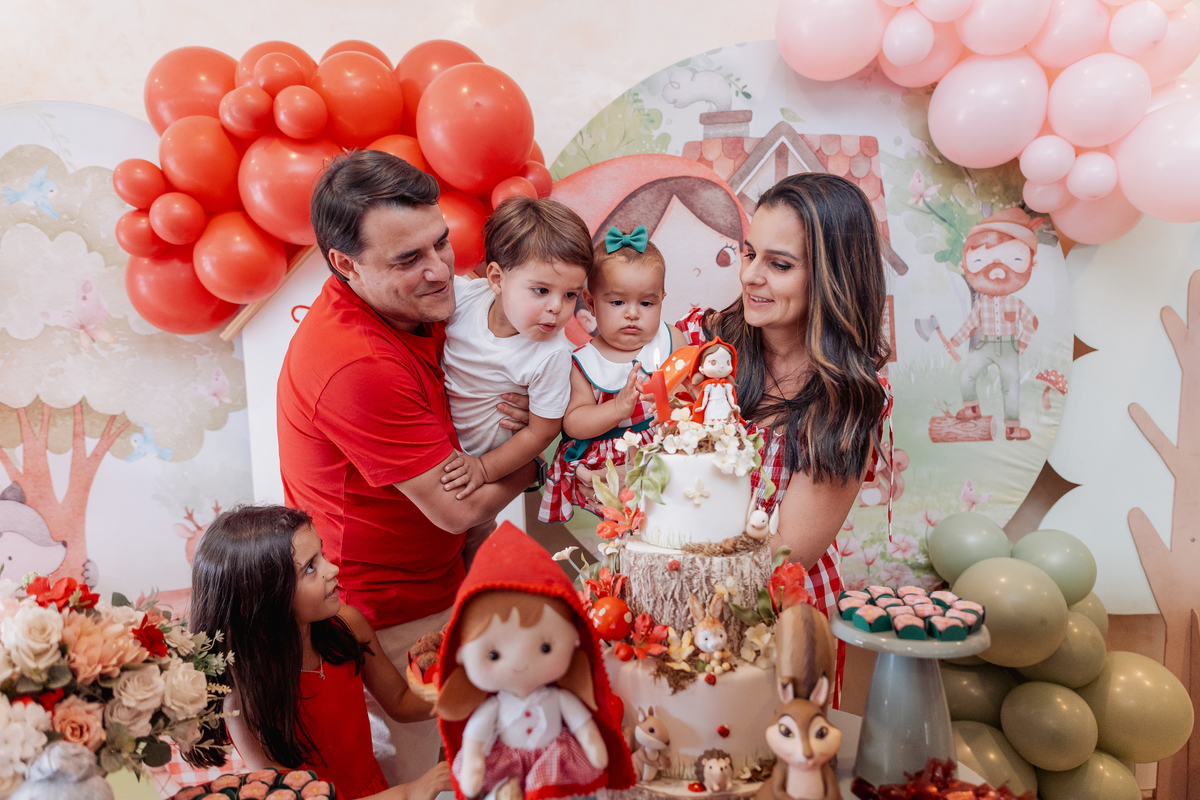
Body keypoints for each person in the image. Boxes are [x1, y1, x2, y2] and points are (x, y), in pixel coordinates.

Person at [277, 150, 539, 785]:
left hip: (441, 582)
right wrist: (533, 455)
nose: (440, 271)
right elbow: (454, 510)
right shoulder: (356, 363)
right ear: (345, 265)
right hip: (387, 613)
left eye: (441, 243)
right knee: (440, 778)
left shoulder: (417, 305)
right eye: (407, 260)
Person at [580, 172, 891, 644]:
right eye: (749, 253)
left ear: (834, 277)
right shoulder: (704, 343)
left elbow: (783, 554)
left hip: (772, 623)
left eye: (780, 264)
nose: (750, 275)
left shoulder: (846, 402)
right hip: (670, 608)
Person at [186, 505, 453, 800]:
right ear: (263, 599)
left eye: (322, 554)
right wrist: (412, 791)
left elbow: (402, 703)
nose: (332, 569)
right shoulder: (243, 701)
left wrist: (467, 680)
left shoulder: (348, 627)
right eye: (310, 567)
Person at [441, 197, 592, 512]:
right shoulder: (466, 298)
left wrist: (485, 469)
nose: (557, 307)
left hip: (485, 467)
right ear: (496, 279)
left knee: (475, 537)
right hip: (439, 444)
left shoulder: (551, 355)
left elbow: (542, 431)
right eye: (541, 290)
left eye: (570, 295)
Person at [540, 225, 686, 523]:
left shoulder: (671, 340)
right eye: (617, 302)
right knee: (628, 534)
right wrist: (617, 408)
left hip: (671, 450)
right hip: (616, 461)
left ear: (662, 299)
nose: (632, 313)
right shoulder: (583, 362)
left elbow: (689, 392)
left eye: (647, 303)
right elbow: (575, 422)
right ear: (591, 303)